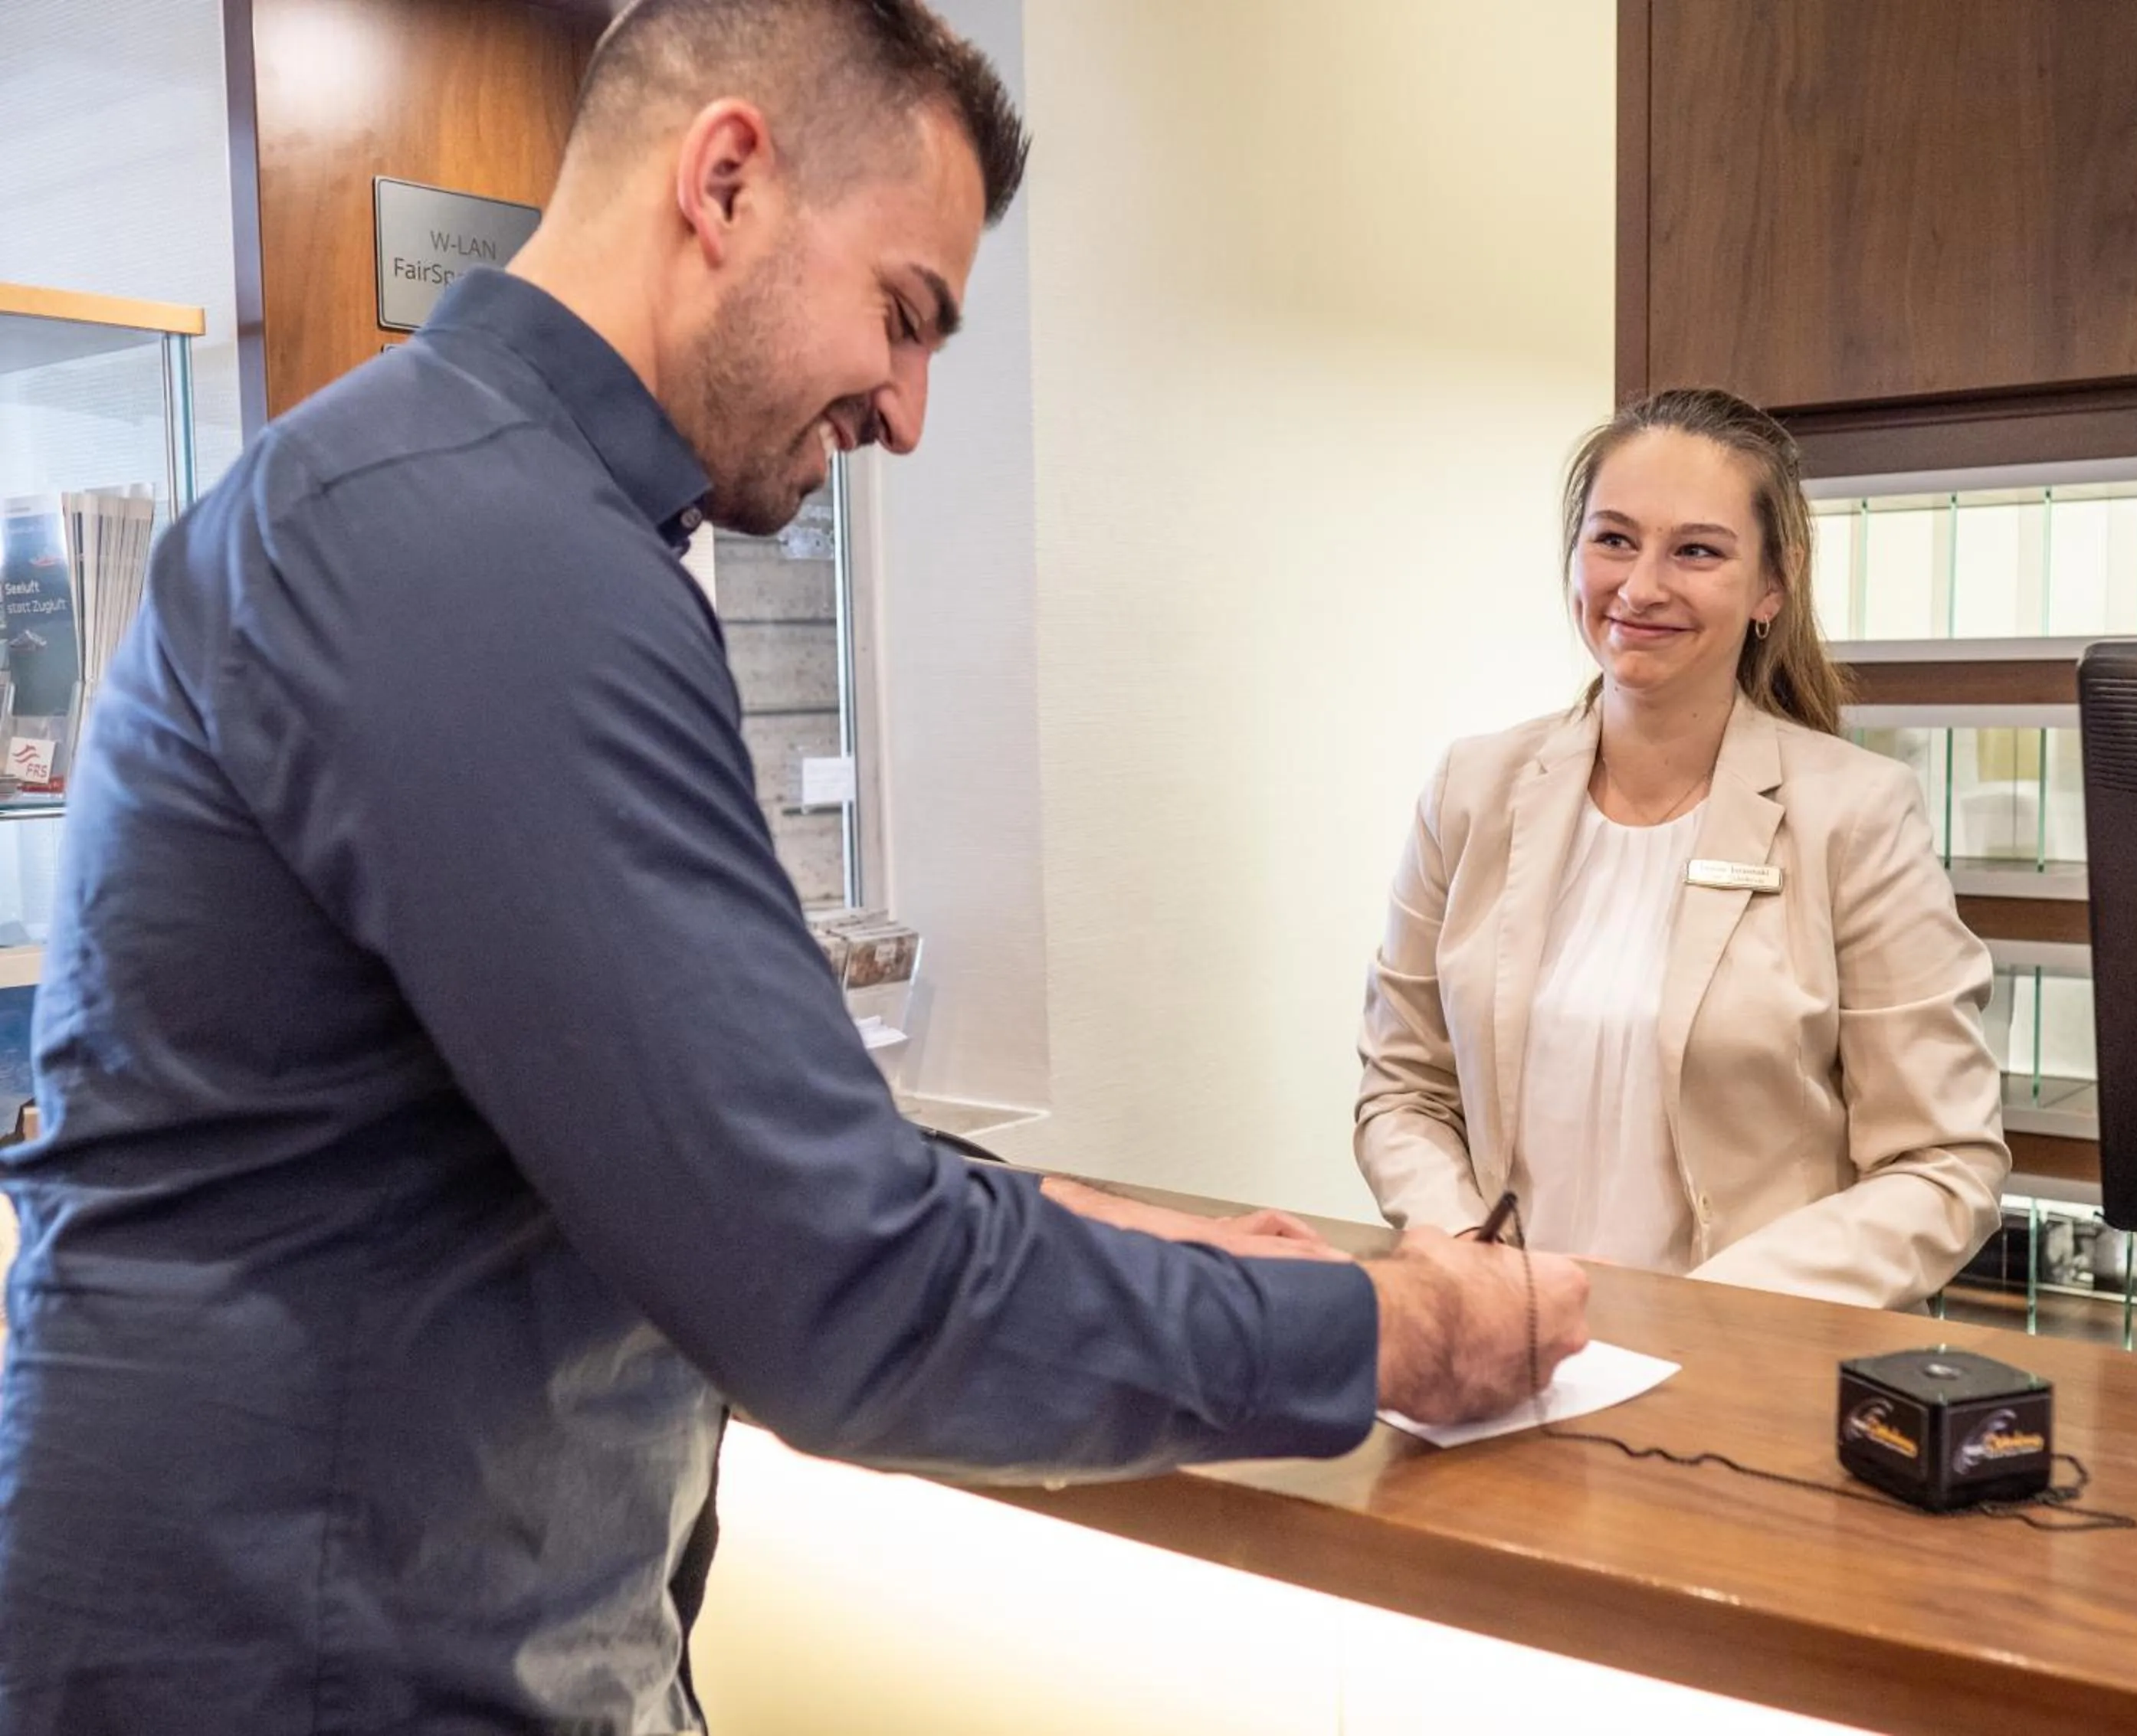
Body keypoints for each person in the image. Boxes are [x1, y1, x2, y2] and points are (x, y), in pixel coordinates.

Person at [0, 2, 1590, 1731]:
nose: (907, 412)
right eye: (905, 317)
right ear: (729, 181)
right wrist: (1387, 1338)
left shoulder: (487, 512)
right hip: (303, 1660)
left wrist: (1094, 1216)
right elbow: (835, 1283)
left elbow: (690, 1113)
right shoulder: (482, 549)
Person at [1355, 387, 2008, 1311]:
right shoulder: (1473, 790)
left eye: (1696, 550)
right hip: (1505, 1341)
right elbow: (1405, 1087)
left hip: (1738, 1361)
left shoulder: (1855, 816)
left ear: (1771, 586)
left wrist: (1708, 1309)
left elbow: (1944, 1163)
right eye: (1613, 539)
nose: (1641, 585)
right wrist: (1469, 1253)